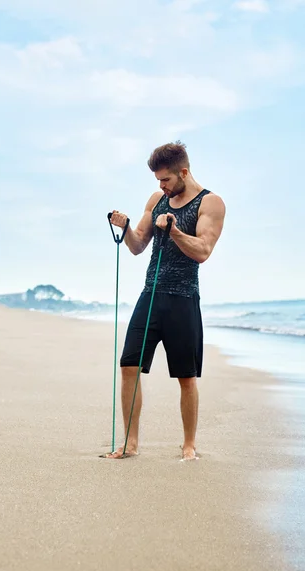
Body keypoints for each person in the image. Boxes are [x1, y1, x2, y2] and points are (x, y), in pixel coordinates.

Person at [106, 141, 225, 460]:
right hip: (151, 296)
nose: (161, 186)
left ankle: (189, 445)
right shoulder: (157, 200)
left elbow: (202, 251)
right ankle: (130, 443)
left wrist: (173, 230)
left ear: (183, 172)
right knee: (129, 365)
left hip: (184, 299)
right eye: (158, 181)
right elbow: (136, 246)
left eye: (166, 180)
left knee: (186, 377)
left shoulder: (210, 203)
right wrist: (127, 226)